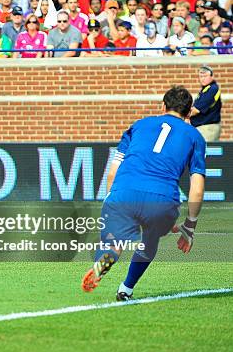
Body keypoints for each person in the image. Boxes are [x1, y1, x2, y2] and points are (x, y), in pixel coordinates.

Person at [81, 85, 206, 301]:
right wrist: (190, 226)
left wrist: (113, 198)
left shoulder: (138, 125)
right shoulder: (195, 137)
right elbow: (197, 187)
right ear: (188, 113)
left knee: (114, 242)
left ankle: (105, 260)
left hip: (123, 191)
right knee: (150, 239)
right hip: (162, 199)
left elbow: (113, 171)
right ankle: (126, 289)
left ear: (163, 106)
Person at [189, 66, 222, 142]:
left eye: (205, 76)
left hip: (208, 128)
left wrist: (180, 115)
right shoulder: (205, 89)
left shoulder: (212, 89)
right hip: (203, 128)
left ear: (212, 77)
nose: (203, 78)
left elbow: (196, 110)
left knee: (206, 153)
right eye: (201, 76)